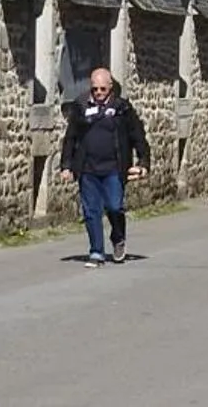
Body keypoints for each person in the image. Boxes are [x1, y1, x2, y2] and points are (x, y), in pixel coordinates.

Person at [59, 67, 149, 266]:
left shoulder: (122, 108)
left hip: (114, 168)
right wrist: (66, 165)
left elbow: (138, 136)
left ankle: (118, 238)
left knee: (114, 207)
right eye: (95, 89)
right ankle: (96, 252)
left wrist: (143, 163)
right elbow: (70, 138)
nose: (98, 93)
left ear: (110, 88)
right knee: (91, 211)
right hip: (87, 168)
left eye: (102, 89)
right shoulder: (80, 106)